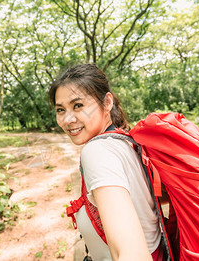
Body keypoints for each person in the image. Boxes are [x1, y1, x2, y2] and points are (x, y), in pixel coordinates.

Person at [48, 64, 163, 261]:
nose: (67, 119)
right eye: (60, 109)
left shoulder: (97, 152)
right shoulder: (126, 141)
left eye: (78, 105)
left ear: (107, 102)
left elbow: (133, 254)